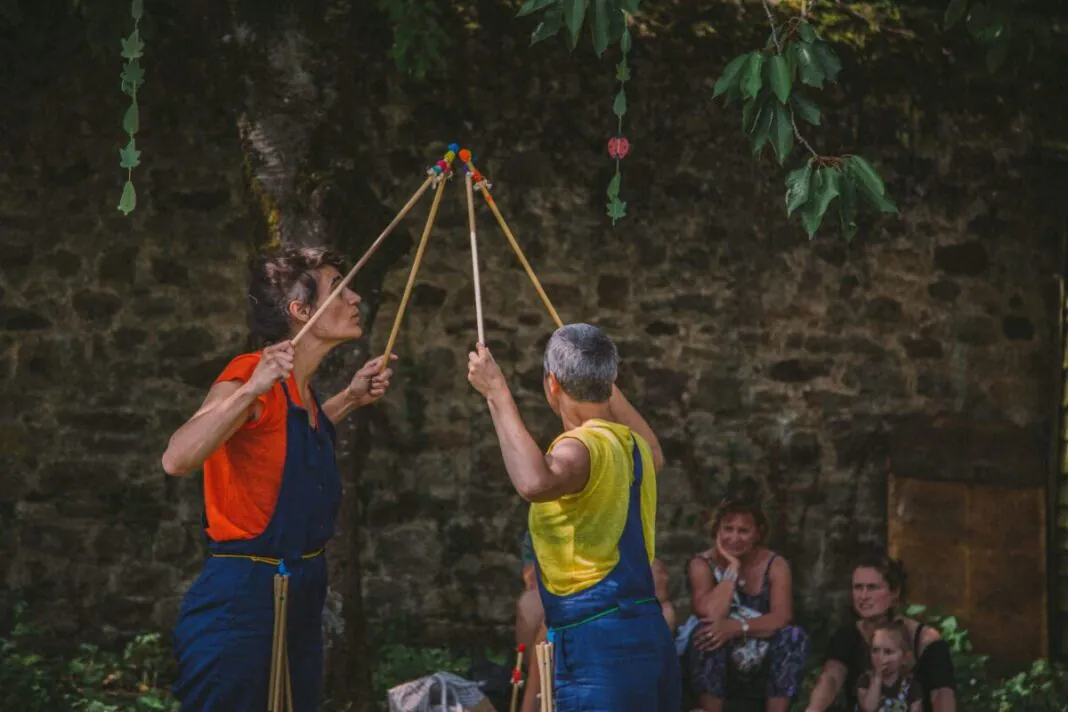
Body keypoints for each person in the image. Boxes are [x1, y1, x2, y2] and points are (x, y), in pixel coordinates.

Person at [161, 245, 396, 712]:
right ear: (300, 310)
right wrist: (251, 388)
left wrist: (348, 400)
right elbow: (177, 458)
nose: (355, 299)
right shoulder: (248, 376)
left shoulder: (301, 392)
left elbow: (282, 448)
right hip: (243, 600)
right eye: (338, 289)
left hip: (300, 591)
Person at [468, 323, 680, 711]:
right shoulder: (633, 445)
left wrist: (497, 393)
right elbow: (656, 451)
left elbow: (535, 481)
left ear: (552, 384)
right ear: (611, 378)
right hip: (645, 634)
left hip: (599, 644)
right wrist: (599, 380)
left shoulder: (582, 445)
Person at [685, 479, 809, 711]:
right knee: (706, 635)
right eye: (728, 529)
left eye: (743, 531)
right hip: (722, 652)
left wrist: (736, 627)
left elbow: (781, 617)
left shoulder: (775, 563)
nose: (734, 538)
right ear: (717, 530)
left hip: (761, 646)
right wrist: (731, 569)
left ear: (757, 533)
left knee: (794, 637)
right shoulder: (702, 564)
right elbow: (711, 614)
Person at [804, 550, 957, 712]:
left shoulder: (924, 640)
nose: (863, 596)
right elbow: (831, 679)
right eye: (858, 587)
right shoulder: (847, 636)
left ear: (894, 593)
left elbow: (942, 694)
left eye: (872, 588)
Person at [856, 620, 923, 712]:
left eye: (888, 652)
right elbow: (869, 708)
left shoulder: (912, 687)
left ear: (904, 658)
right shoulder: (865, 681)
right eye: (875, 650)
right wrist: (878, 677)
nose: (880, 657)